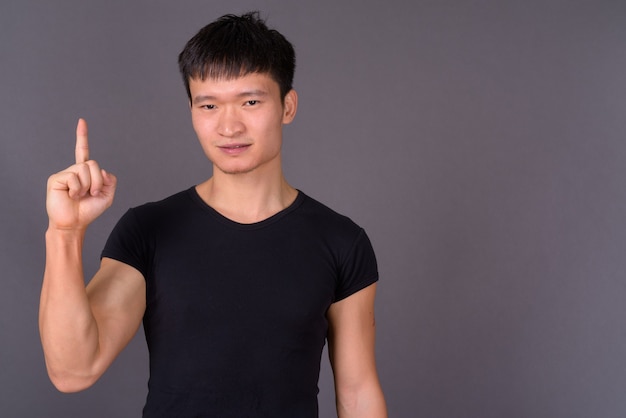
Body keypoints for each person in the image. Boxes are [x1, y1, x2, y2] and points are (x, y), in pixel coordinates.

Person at [39, 11, 387, 418]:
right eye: (208, 105)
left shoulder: (341, 241)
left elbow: (358, 393)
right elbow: (73, 372)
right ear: (191, 110)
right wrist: (64, 232)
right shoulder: (147, 231)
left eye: (251, 101)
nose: (228, 126)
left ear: (287, 106)